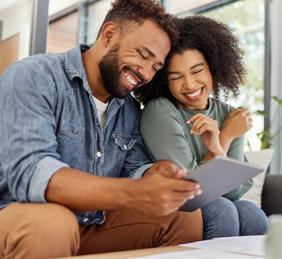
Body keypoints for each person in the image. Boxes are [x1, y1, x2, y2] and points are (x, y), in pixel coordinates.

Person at [0, 1, 203, 258]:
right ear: (109, 34)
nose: (146, 74)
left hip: (90, 224)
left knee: (183, 215)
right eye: (142, 54)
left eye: (156, 67)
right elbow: (31, 172)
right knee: (53, 224)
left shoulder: (128, 108)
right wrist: (134, 193)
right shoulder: (33, 76)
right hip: (18, 215)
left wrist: (154, 173)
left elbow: (132, 169)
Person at [135, 16, 268, 240]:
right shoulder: (160, 111)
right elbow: (190, 190)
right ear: (164, 81)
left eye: (197, 71)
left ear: (214, 68)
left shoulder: (228, 114)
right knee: (221, 209)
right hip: (171, 205)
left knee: (251, 213)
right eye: (176, 77)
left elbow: (236, 190)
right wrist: (224, 138)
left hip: (213, 202)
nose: (189, 84)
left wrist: (218, 147)